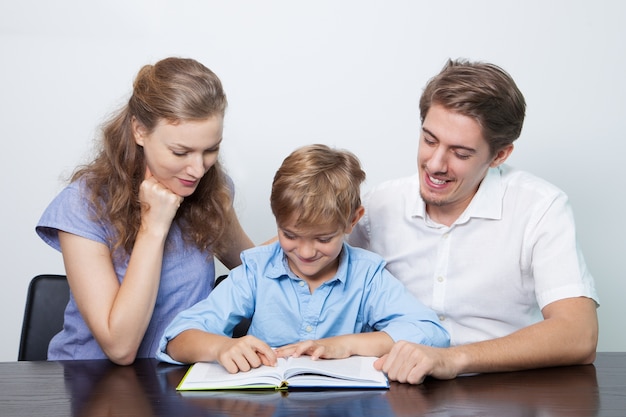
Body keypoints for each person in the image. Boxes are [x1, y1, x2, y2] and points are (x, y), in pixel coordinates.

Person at [347, 59, 599, 384]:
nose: (435, 164)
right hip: (394, 392)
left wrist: (453, 359)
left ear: (499, 156)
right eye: (429, 140)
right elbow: (291, 250)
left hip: (501, 392)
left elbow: (579, 335)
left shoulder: (539, 207)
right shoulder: (381, 203)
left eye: (461, 154)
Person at [36, 57, 254, 365]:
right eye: (181, 151)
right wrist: (154, 226)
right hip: (92, 384)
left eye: (211, 150)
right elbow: (119, 347)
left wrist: (318, 238)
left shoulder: (210, 191)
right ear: (139, 131)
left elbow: (254, 267)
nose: (198, 168)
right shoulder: (82, 204)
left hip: (176, 380)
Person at [156, 144, 449, 371]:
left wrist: (345, 345)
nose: (306, 253)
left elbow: (431, 332)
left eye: (324, 239)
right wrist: (220, 348)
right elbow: (177, 338)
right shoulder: (257, 271)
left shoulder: (367, 276)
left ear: (352, 220)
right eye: (291, 235)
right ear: (277, 220)